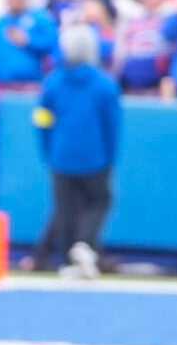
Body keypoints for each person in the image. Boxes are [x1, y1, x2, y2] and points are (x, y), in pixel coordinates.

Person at [34, 23, 123, 280]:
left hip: (60, 155)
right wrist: (110, 156)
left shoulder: (52, 83)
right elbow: (112, 125)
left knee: (65, 210)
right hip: (95, 157)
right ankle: (84, 244)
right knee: (100, 200)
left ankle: (68, 260)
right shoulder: (105, 85)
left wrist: (48, 150)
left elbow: (41, 120)